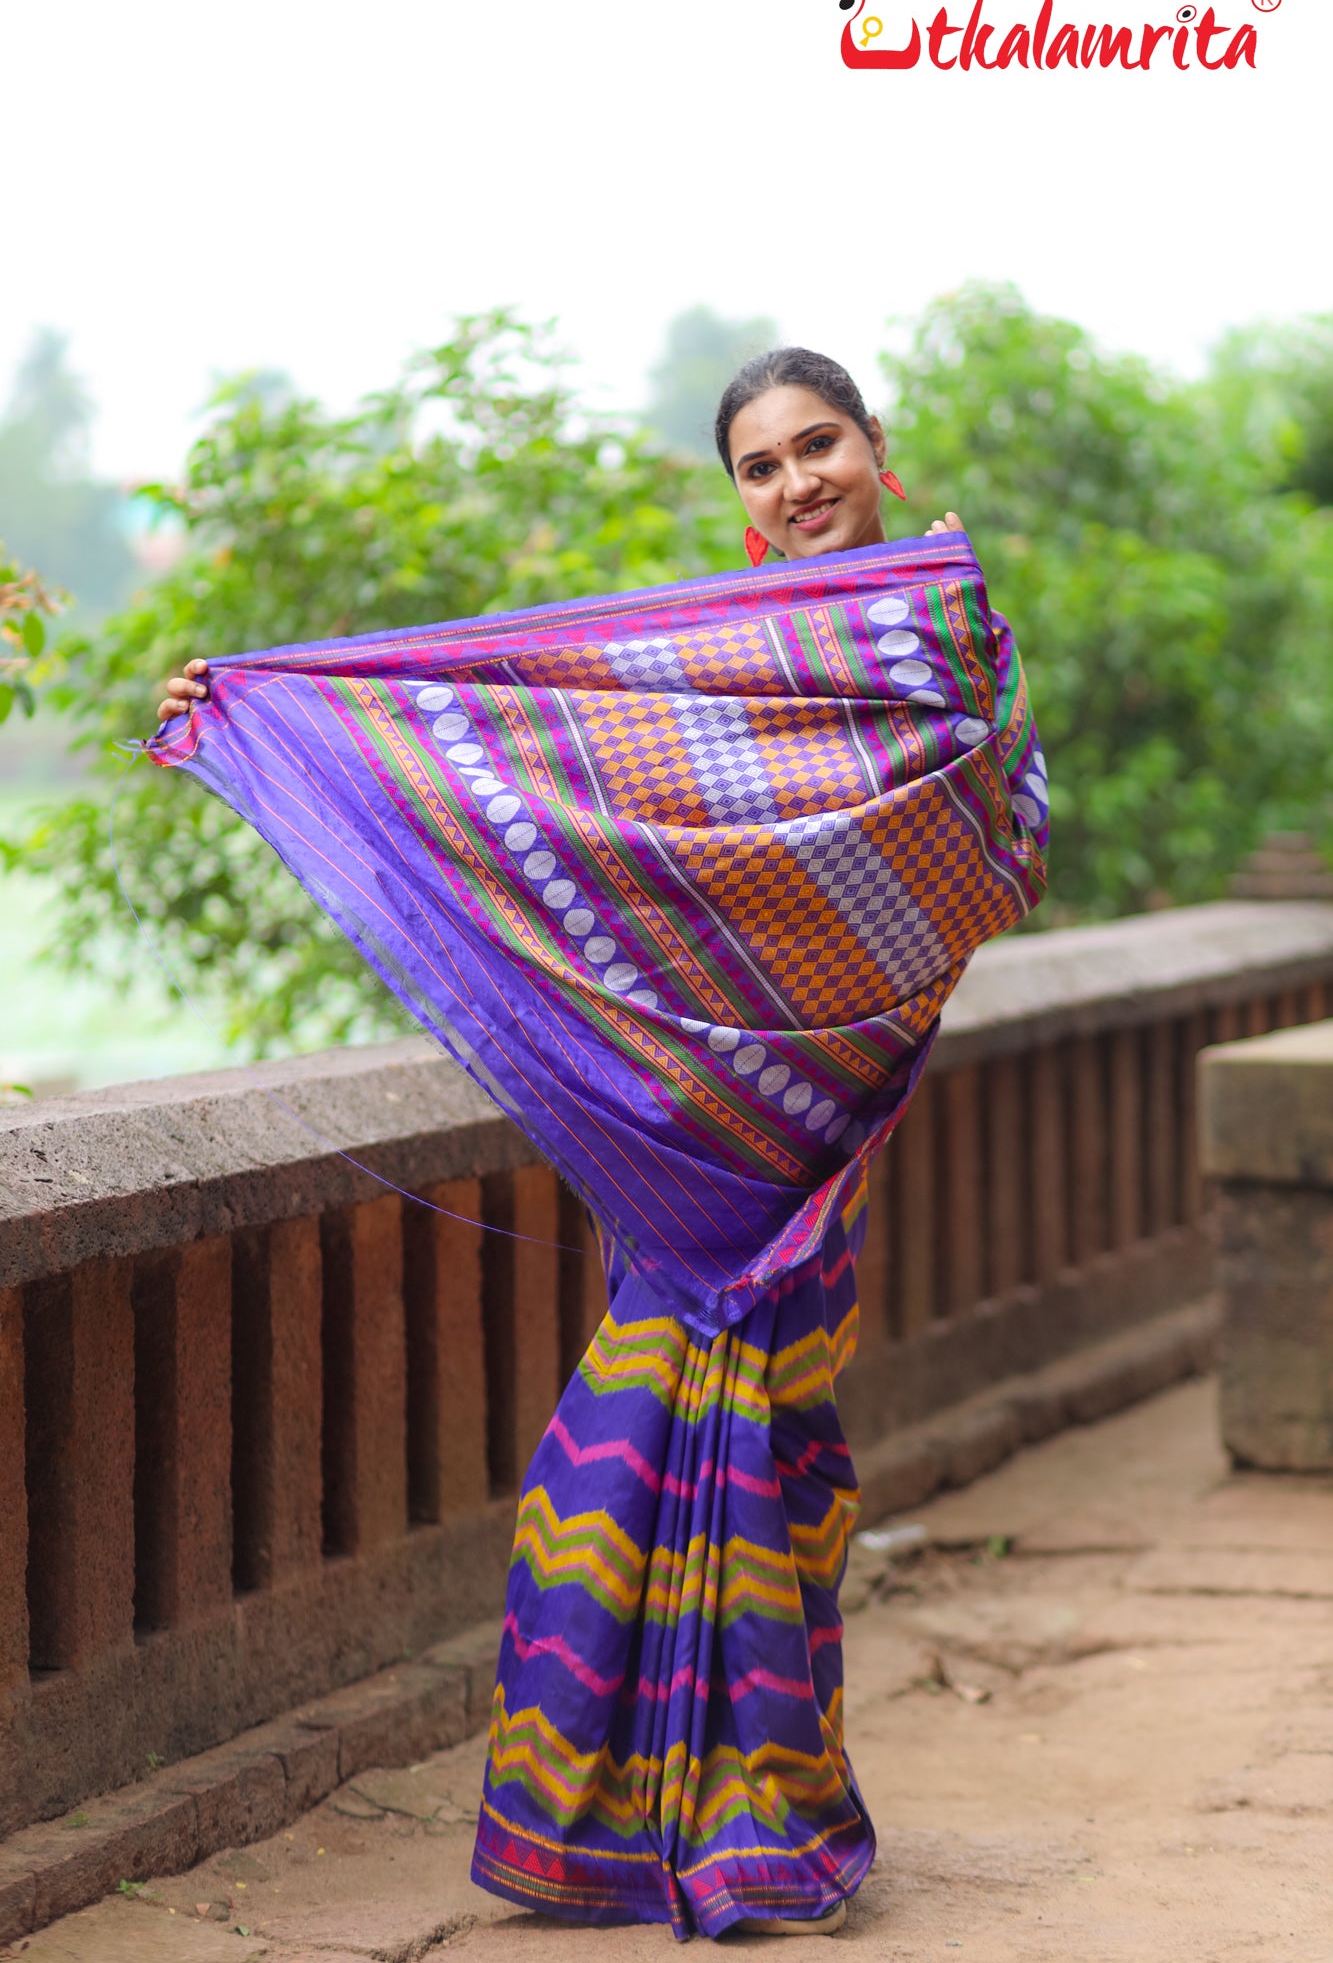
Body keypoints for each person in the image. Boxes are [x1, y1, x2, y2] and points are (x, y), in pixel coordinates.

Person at [156, 349, 1045, 1940]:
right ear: (741, 501)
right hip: (690, 1147)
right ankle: (642, 1834)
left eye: (816, 445)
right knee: (623, 1472)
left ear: (876, 449)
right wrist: (272, 717)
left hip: (806, 1142)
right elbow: (564, 790)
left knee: (764, 1470)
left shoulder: (944, 642)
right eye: (759, 468)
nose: (794, 485)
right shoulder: (710, 662)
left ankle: (768, 1835)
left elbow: (983, 851)